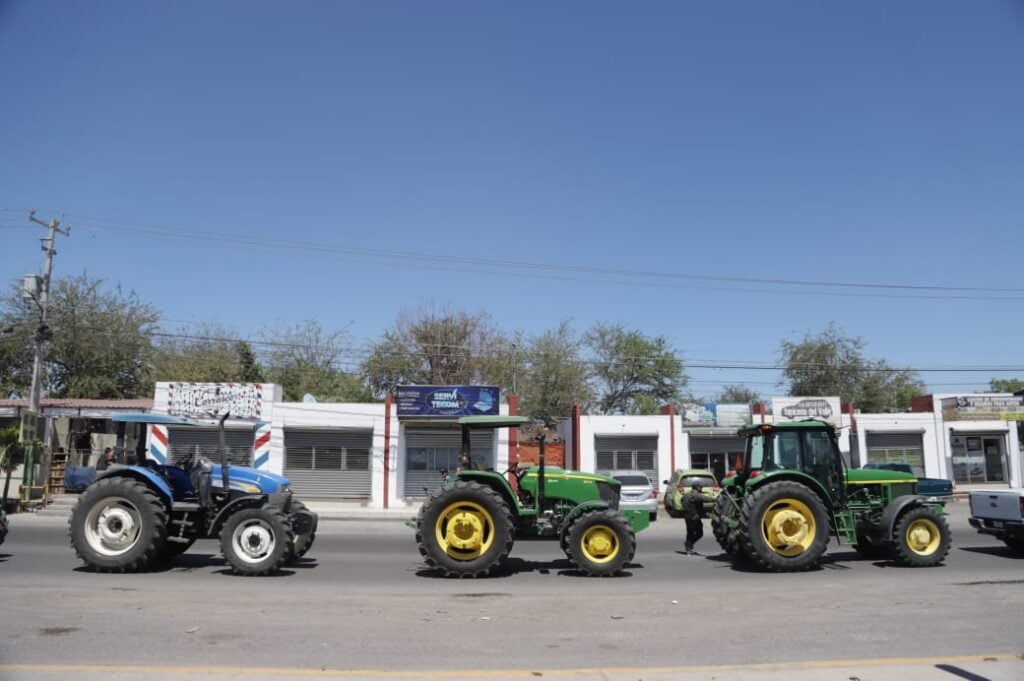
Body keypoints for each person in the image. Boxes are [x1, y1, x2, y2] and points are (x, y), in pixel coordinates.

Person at [681, 482, 707, 555]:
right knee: (699, 533)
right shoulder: (696, 495)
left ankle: (689, 548)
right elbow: (705, 499)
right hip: (694, 517)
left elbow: (682, 502)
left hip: (687, 516)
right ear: (697, 488)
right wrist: (716, 498)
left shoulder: (686, 495)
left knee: (690, 532)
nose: (701, 489)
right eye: (701, 487)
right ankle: (688, 544)